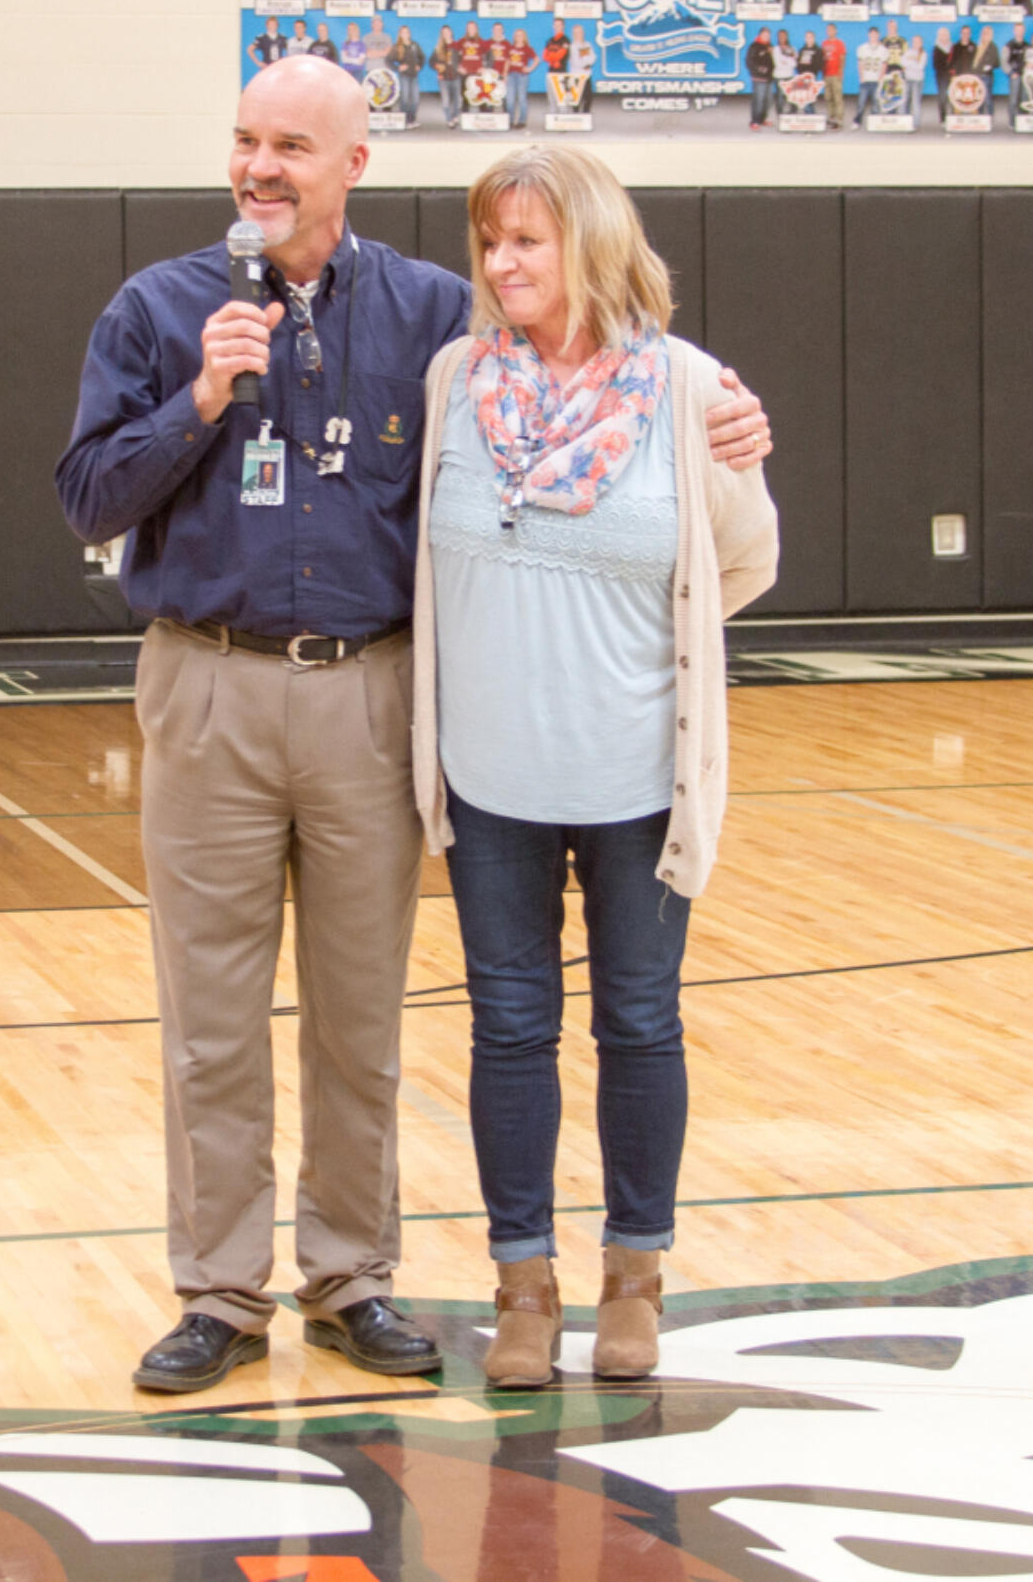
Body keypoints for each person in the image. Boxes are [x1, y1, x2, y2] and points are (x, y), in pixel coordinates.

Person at [56, 56, 773, 1397]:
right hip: (205, 682)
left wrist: (717, 407)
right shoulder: (157, 310)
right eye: (244, 141)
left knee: (358, 1014)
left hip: (373, 695)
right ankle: (218, 1289)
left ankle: (349, 1275)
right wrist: (198, 400)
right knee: (210, 1019)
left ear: (350, 166)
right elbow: (89, 497)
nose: (258, 167)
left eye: (289, 147)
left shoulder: (436, 321)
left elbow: (590, 357)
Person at [411, 145, 778, 1389]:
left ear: (593, 244)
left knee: (638, 1023)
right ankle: (522, 1286)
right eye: (490, 241)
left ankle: (634, 1275)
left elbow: (742, 563)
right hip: (487, 783)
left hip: (639, 783)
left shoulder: (688, 392)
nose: (503, 263)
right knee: (508, 1029)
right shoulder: (457, 377)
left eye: (528, 239)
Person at [389, 23, 426, 126]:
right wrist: (398, 68)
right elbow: (388, 60)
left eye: (407, 32)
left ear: (409, 34)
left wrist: (419, 65)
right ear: (400, 34)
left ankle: (412, 119)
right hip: (404, 76)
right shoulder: (397, 47)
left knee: (415, 99)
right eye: (403, 32)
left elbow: (422, 57)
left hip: (414, 75)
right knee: (404, 98)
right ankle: (403, 120)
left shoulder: (414, 45)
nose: (405, 34)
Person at [505, 26, 539, 127]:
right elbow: (507, 61)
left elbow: (537, 59)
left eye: (521, 35)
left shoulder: (527, 48)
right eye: (517, 35)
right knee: (510, 99)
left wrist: (529, 69)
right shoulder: (510, 48)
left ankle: (522, 121)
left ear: (524, 37)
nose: (519, 37)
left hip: (522, 76)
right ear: (514, 37)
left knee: (521, 99)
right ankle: (510, 120)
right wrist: (505, 75)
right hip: (511, 75)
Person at [431, 22, 463, 126]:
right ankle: (449, 119)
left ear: (451, 33)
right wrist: (438, 67)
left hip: (456, 77)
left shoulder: (457, 46)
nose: (446, 34)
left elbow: (462, 60)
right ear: (442, 34)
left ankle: (455, 116)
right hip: (443, 78)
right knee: (446, 101)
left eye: (447, 32)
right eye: (443, 32)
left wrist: (461, 67)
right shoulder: (438, 48)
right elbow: (431, 62)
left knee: (458, 100)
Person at [853, 25, 886, 122]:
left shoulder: (883, 49)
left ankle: (874, 121)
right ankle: (857, 120)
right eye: (871, 34)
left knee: (876, 101)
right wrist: (861, 77)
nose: (873, 36)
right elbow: (860, 63)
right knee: (861, 102)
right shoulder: (862, 48)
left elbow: (884, 65)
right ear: (868, 35)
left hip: (876, 79)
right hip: (865, 79)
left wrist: (881, 78)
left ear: (878, 35)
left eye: (875, 34)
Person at [747, 26, 776, 125]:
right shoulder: (754, 46)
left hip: (769, 78)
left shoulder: (770, 46)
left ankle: (762, 119)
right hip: (758, 78)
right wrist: (759, 69)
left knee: (769, 101)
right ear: (760, 35)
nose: (767, 37)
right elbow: (749, 61)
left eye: (768, 35)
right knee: (758, 100)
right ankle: (754, 121)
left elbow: (773, 62)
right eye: (765, 35)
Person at [823, 21, 847, 125]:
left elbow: (842, 58)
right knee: (828, 97)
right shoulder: (824, 43)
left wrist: (840, 72)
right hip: (826, 74)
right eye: (828, 30)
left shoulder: (840, 43)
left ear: (835, 31)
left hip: (836, 74)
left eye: (831, 29)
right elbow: (822, 59)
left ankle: (840, 119)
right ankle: (831, 116)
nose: (830, 31)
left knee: (838, 97)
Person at [1005, 19, 1030, 123]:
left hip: (1025, 76)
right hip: (1015, 75)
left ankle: (1023, 121)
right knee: (1014, 100)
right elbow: (1004, 62)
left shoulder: (1027, 46)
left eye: (1021, 30)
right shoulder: (1009, 45)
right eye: (1017, 30)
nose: (1019, 32)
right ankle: (1012, 121)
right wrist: (1011, 72)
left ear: (1024, 31)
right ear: (1014, 31)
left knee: (1024, 99)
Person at [569, 22, 596, 110]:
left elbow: (593, 58)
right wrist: (586, 63)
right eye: (576, 33)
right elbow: (575, 62)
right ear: (573, 34)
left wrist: (587, 63)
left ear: (583, 33)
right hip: (576, 76)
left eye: (580, 32)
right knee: (576, 101)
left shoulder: (587, 45)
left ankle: (585, 116)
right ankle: (575, 119)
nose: (578, 34)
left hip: (587, 76)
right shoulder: (572, 47)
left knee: (588, 98)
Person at [974, 22, 1000, 110]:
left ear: (991, 35)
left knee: (988, 99)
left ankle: (989, 119)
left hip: (986, 76)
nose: (985, 35)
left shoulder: (993, 47)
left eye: (987, 33)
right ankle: (980, 119)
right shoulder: (978, 46)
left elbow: (997, 63)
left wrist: (989, 66)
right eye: (983, 33)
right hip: (977, 76)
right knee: (978, 99)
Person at [773, 27, 798, 113]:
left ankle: (792, 115)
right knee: (780, 97)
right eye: (780, 36)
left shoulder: (792, 48)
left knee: (792, 97)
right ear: (778, 37)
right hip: (778, 76)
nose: (782, 37)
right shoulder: (775, 49)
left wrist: (784, 60)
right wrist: (788, 60)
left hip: (790, 76)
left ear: (787, 37)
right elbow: (778, 64)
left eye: (784, 36)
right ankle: (780, 115)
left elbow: (794, 64)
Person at [903, 32, 927, 119]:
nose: (916, 43)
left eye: (918, 42)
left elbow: (920, 67)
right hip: (907, 79)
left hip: (917, 80)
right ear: (912, 42)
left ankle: (915, 123)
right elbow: (903, 63)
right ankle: (905, 121)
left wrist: (910, 62)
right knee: (905, 101)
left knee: (916, 102)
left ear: (921, 43)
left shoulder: (923, 54)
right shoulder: (907, 52)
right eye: (914, 41)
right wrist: (914, 61)